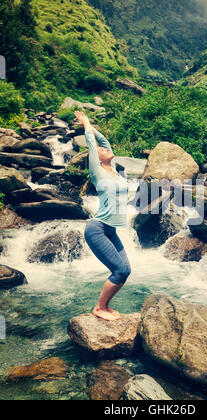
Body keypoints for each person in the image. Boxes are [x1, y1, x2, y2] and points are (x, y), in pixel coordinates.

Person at [74, 111, 131, 322]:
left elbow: (103, 140)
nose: (106, 149)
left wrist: (96, 132)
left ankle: (105, 306)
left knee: (125, 271)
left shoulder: (114, 170)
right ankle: (99, 308)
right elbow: (92, 142)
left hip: (110, 229)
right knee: (119, 269)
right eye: (101, 150)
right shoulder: (97, 170)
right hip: (97, 229)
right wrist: (86, 124)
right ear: (95, 157)